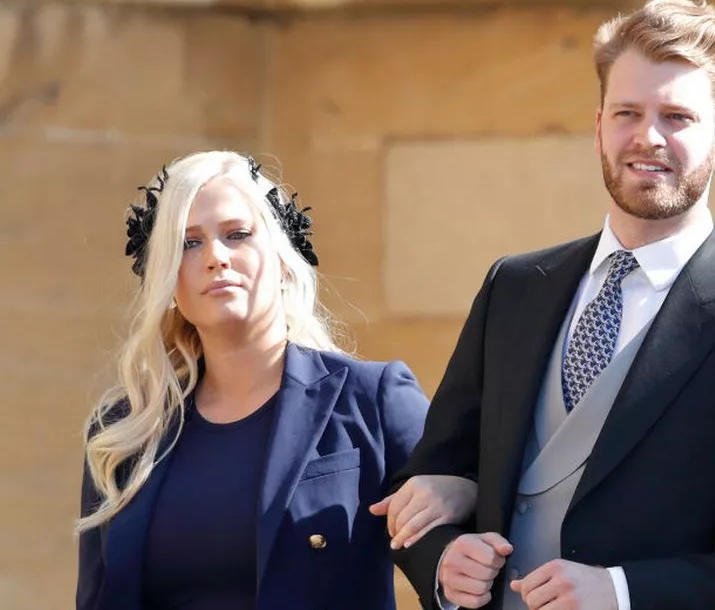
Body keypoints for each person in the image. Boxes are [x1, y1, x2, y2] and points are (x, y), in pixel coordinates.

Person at [382, 0, 715, 610]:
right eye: (628, 112)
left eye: (677, 117)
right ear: (599, 125)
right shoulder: (514, 287)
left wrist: (623, 591)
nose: (647, 137)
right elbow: (430, 481)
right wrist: (443, 559)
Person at [75, 151, 475, 610]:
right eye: (189, 243)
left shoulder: (370, 398)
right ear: (168, 278)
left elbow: (474, 515)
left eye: (237, 234)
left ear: (283, 258)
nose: (216, 257)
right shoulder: (123, 432)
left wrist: (465, 491)